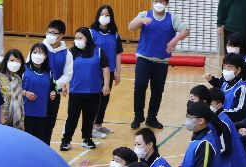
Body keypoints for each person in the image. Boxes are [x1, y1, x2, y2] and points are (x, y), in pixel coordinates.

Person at [128, 0, 189, 129]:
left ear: (166, 3)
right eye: (156, 1)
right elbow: (131, 27)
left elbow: (185, 31)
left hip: (161, 62)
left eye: (161, 1)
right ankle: (138, 116)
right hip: (144, 58)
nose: (158, 3)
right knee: (139, 86)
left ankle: (152, 118)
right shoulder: (145, 14)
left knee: (157, 90)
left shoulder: (172, 18)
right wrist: (140, 21)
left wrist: (175, 40)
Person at [61, 27, 110, 151]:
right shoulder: (71, 52)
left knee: (89, 118)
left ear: (87, 38)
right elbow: (65, 70)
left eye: (80, 38)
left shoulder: (98, 52)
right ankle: (66, 140)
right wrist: (63, 85)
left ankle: (87, 139)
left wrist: (106, 85)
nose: (77, 40)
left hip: (93, 92)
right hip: (76, 92)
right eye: (76, 38)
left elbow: (105, 68)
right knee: (72, 117)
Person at [91, 5, 123, 137]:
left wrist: (118, 72)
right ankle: (90, 127)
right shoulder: (91, 32)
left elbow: (117, 54)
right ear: (98, 16)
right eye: (102, 14)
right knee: (95, 99)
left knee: (105, 98)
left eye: (107, 15)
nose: (105, 17)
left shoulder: (114, 34)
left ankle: (98, 125)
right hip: (95, 71)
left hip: (108, 72)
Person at [42, 20, 73, 144]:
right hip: (38, 93)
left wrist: (54, 86)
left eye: (53, 33)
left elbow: (68, 74)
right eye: (48, 32)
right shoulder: (39, 49)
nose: (50, 35)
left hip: (54, 95)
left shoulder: (67, 54)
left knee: (49, 124)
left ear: (61, 35)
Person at [204, 53, 246, 124]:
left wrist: (218, 112)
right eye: (224, 67)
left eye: (229, 67)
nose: (226, 70)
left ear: (238, 70)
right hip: (223, 122)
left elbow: (239, 112)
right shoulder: (225, 84)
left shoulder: (242, 88)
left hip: (234, 127)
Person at [23, 43, 56, 143]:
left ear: (45, 56)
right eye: (35, 52)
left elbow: (53, 87)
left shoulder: (49, 72)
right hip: (26, 113)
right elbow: (13, 89)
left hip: (42, 113)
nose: (37, 54)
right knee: (26, 140)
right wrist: (25, 93)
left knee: (38, 141)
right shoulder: (23, 69)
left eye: (40, 52)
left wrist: (53, 92)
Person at [0, 50, 25, 130]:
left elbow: (20, 102)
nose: (15, 63)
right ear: (6, 61)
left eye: (18, 61)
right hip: (0, 120)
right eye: (12, 60)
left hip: (15, 120)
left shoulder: (18, 79)